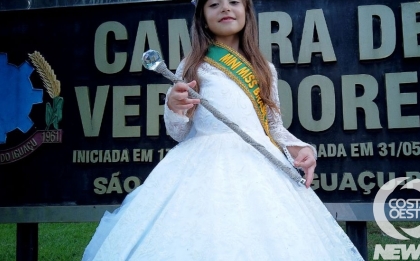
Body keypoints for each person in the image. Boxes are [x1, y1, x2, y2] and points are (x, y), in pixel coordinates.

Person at [83, 0, 364, 260]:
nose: (225, 8)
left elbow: (273, 126)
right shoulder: (193, 65)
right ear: (203, 17)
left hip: (259, 165)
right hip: (202, 165)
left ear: (246, 10)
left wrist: (301, 148)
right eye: (214, 4)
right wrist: (174, 105)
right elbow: (178, 132)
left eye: (233, 1)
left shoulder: (264, 68)